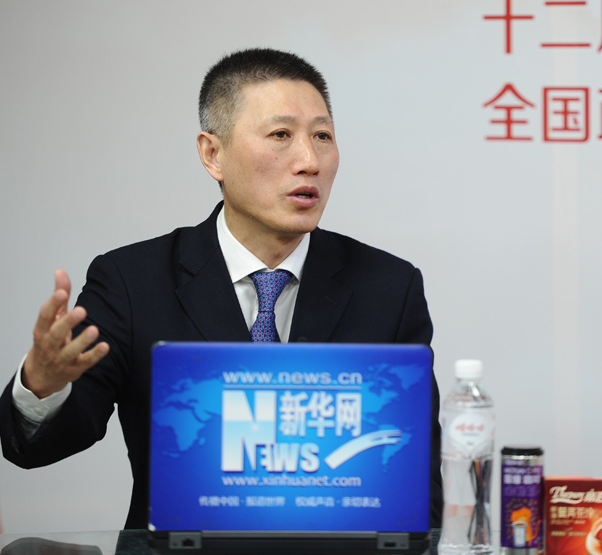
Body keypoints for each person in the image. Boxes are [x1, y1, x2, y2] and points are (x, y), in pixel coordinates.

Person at [0, 48, 443, 530]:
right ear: (213, 155)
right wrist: (42, 383)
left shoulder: (389, 286)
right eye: (281, 135)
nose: (309, 160)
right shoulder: (132, 281)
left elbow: (416, 489)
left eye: (322, 136)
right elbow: (40, 447)